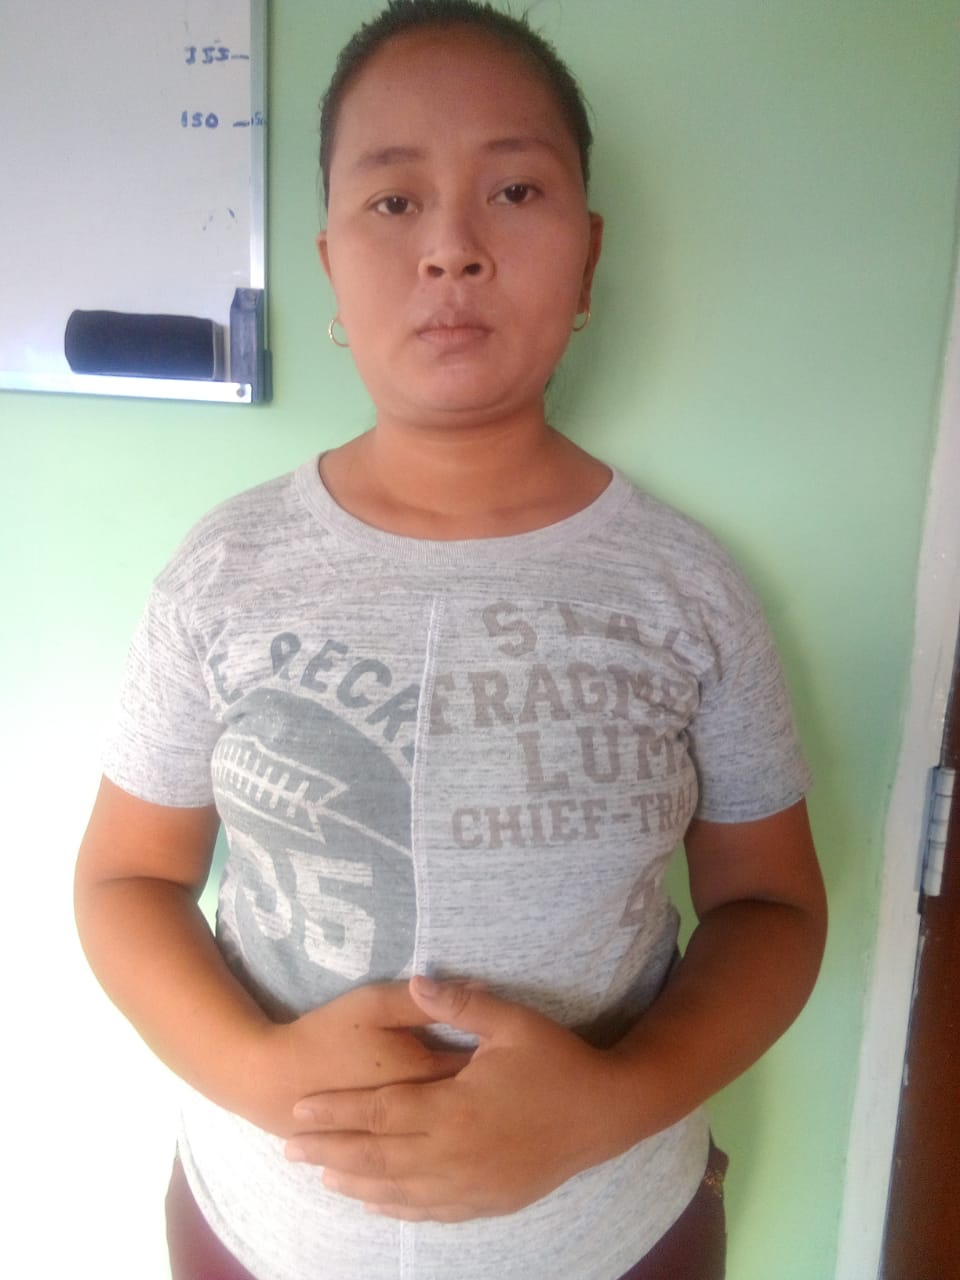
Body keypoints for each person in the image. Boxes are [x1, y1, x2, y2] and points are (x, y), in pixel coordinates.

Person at [74, 2, 827, 1277]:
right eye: (393, 201)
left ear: (588, 256)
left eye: (515, 190)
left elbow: (774, 904)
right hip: (260, 1232)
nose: (452, 250)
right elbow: (122, 881)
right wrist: (261, 1074)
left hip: (611, 1235)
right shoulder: (224, 568)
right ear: (331, 262)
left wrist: (611, 1102)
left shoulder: (688, 588)